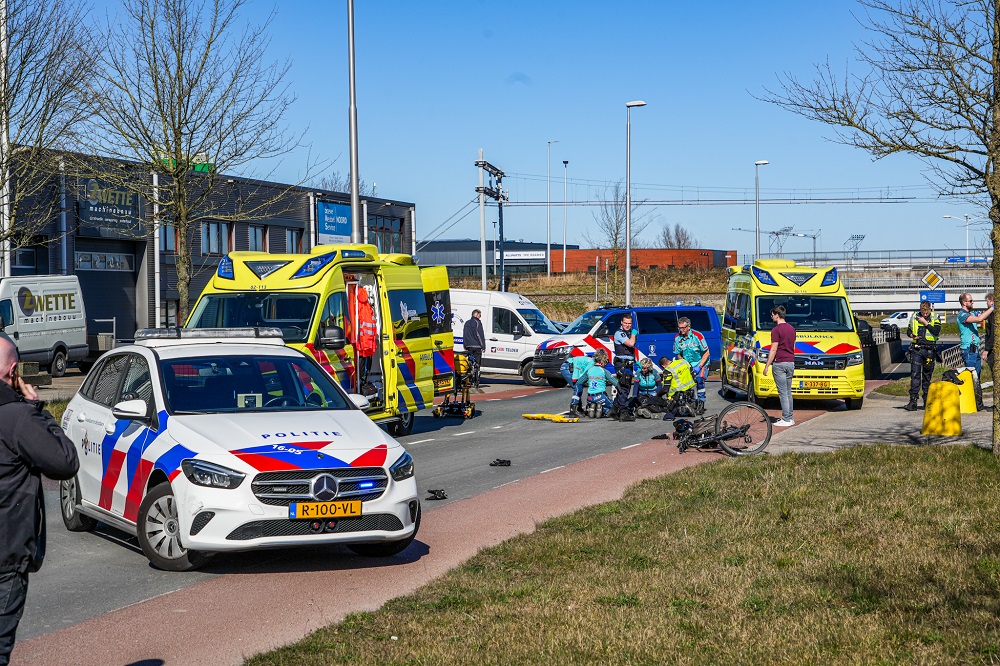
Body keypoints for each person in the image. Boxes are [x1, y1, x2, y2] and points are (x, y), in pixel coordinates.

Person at [0, 334, 78, 663]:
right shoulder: (18, 418)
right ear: (14, 370)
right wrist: (40, 413)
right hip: (5, 558)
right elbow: (64, 461)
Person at [957, 293, 993, 410]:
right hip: (968, 350)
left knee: (977, 378)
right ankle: (972, 404)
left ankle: (978, 404)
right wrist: (993, 307)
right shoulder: (962, 315)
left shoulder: (970, 313)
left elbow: (981, 315)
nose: (973, 303)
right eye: (971, 301)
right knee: (973, 377)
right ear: (964, 303)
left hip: (975, 349)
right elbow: (979, 318)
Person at [904, 300, 941, 411]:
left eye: (926, 312)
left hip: (930, 350)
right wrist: (912, 335)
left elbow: (936, 331)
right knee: (915, 375)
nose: (925, 314)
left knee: (927, 376)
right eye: (923, 312)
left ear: (930, 309)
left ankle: (927, 401)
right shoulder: (914, 317)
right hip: (917, 349)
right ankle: (913, 401)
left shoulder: (935, 317)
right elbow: (909, 330)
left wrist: (925, 322)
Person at [762, 305, 796, 427]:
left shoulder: (776, 330)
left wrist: (767, 365)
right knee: (788, 391)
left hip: (780, 363)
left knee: (782, 392)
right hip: (790, 362)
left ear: (777, 315)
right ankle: (790, 417)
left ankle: (786, 418)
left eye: (772, 315)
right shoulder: (792, 329)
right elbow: (793, 347)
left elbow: (773, 349)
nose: (771, 317)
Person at [672, 316, 711, 405]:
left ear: (688, 327)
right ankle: (692, 401)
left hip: (701, 362)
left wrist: (699, 366)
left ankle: (701, 401)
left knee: (699, 379)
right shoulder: (677, 338)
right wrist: (684, 365)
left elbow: (707, 352)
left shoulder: (697, 336)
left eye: (683, 328)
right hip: (687, 364)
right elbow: (678, 354)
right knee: (687, 383)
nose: (681, 330)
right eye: (679, 328)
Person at [611, 314, 638, 420]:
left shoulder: (628, 333)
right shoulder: (619, 333)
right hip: (622, 364)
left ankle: (614, 409)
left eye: (629, 323)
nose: (627, 325)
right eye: (625, 323)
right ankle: (624, 412)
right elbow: (631, 344)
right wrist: (634, 334)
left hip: (628, 363)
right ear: (621, 322)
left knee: (624, 386)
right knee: (624, 387)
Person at [584, 349, 618, 418]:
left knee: (593, 401)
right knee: (614, 407)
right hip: (600, 396)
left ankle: (593, 407)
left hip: (590, 397)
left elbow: (580, 382)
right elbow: (615, 382)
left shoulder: (589, 370)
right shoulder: (604, 371)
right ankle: (602, 410)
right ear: (602, 360)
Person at [462, 309, 486, 387]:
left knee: (469, 363)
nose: (480, 317)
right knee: (477, 364)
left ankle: (468, 380)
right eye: (480, 315)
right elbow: (480, 335)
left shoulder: (467, 323)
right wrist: (483, 346)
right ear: (476, 315)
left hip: (469, 346)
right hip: (477, 346)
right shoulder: (478, 323)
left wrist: (465, 345)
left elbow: (464, 335)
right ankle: (476, 381)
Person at [983, 292, 995, 375]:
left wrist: (987, 349)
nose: (986, 303)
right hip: (992, 346)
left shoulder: (993, 315)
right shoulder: (990, 314)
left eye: (987, 301)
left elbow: (992, 333)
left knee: (994, 367)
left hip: (993, 348)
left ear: (992, 301)